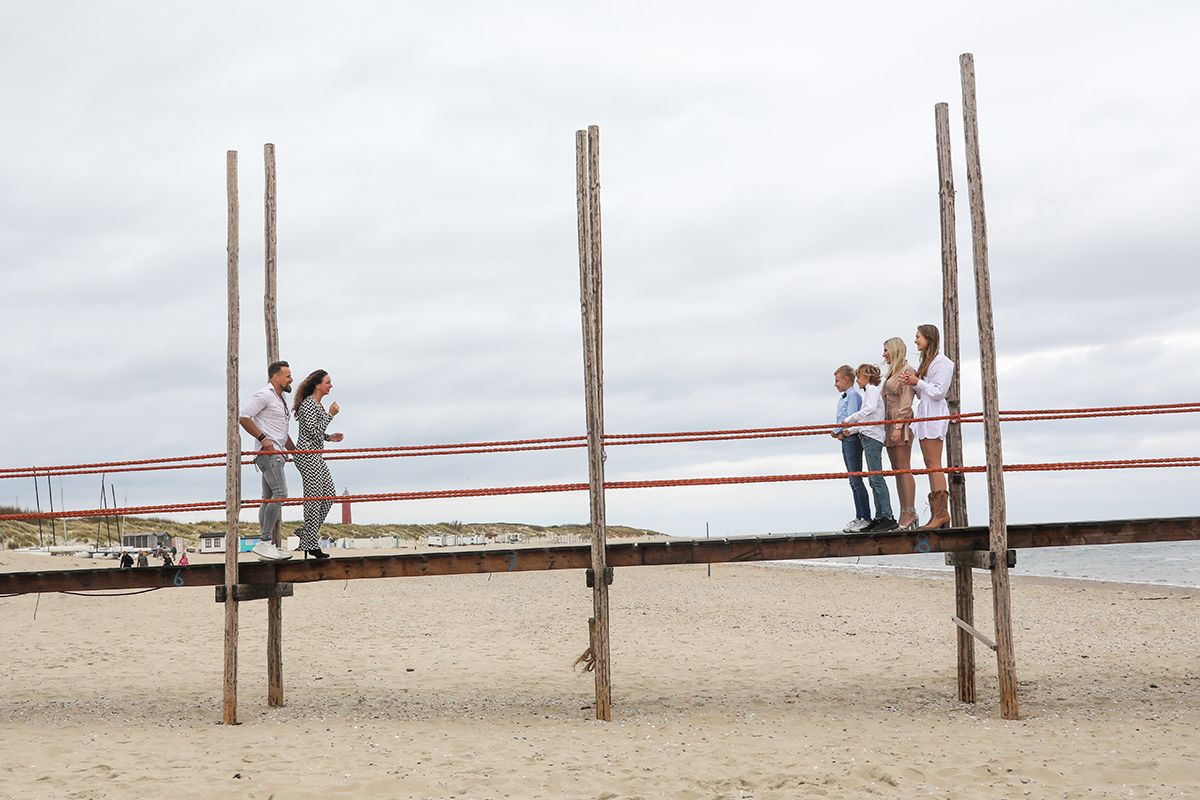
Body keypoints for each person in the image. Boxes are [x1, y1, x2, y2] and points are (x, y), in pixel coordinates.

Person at [238, 360, 296, 561]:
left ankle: (267, 544)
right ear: (276, 377)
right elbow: (244, 416)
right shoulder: (264, 395)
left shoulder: (281, 400)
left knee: (268, 497)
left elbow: (281, 432)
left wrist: (294, 451)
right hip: (269, 454)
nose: (291, 379)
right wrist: (265, 440)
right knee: (281, 494)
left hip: (276, 454)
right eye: (288, 375)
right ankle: (264, 542)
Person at [900, 324, 956, 529]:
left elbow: (939, 391)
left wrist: (918, 382)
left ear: (929, 339)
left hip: (934, 413)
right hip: (925, 413)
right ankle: (937, 513)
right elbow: (925, 390)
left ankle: (941, 514)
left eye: (918, 337)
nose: (916, 341)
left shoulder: (943, 363)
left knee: (934, 463)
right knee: (929, 462)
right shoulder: (927, 361)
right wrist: (912, 383)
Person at [291, 369, 344, 560]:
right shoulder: (308, 405)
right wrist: (331, 415)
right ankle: (311, 543)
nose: (331, 385)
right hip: (306, 455)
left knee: (329, 496)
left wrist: (329, 437)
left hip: (316, 455)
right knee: (314, 500)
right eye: (328, 382)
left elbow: (315, 432)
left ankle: (307, 534)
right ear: (318, 385)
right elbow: (312, 433)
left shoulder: (317, 406)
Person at [841, 363, 896, 531]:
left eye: (859, 377)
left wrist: (850, 419)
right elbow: (868, 419)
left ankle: (887, 516)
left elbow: (870, 410)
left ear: (866, 377)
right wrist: (851, 430)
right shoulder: (869, 392)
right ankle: (880, 517)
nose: (857, 380)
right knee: (873, 478)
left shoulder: (871, 391)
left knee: (876, 478)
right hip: (868, 434)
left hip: (873, 437)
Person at [881, 337, 919, 530]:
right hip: (889, 421)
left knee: (904, 467)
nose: (883, 354)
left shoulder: (907, 371)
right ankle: (903, 509)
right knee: (897, 469)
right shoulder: (892, 372)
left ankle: (910, 511)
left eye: (886, 350)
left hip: (899, 421)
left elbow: (906, 401)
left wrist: (898, 426)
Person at [831, 365, 870, 532]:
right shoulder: (844, 396)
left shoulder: (853, 395)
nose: (835, 384)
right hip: (845, 438)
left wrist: (840, 432)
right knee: (852, 481)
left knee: (856, 479)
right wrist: (836, 431)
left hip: (851, 438)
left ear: (846, 380)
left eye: (837, 380)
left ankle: (865, 517)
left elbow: (852, 417)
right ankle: (859, 515)